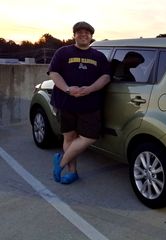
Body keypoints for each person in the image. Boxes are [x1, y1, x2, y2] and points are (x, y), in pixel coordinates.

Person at [48, 21, 111, 184]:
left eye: (87, 32)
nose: (83, 35)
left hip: (89, 104)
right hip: (65, 102)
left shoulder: (99, 56)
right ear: (74, 35)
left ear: (91, 36)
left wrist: (89, 89)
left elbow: (106, 77)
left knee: (89, 137)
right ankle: (72, 172)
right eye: (79, 32)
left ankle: (60, 162)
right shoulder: (63, 52)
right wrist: (68, 89)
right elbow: (54, 73)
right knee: (69, 137)